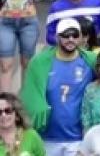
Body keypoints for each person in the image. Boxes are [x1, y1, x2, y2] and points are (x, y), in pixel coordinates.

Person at [20, 18, 93, 155]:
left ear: (81, 37)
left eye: (75, 35)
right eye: (66, 35)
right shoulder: (40, 63)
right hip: (47, 138)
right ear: (57, 37)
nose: (70, 39)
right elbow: (29, 95)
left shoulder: (90, 61)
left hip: (78, 139)